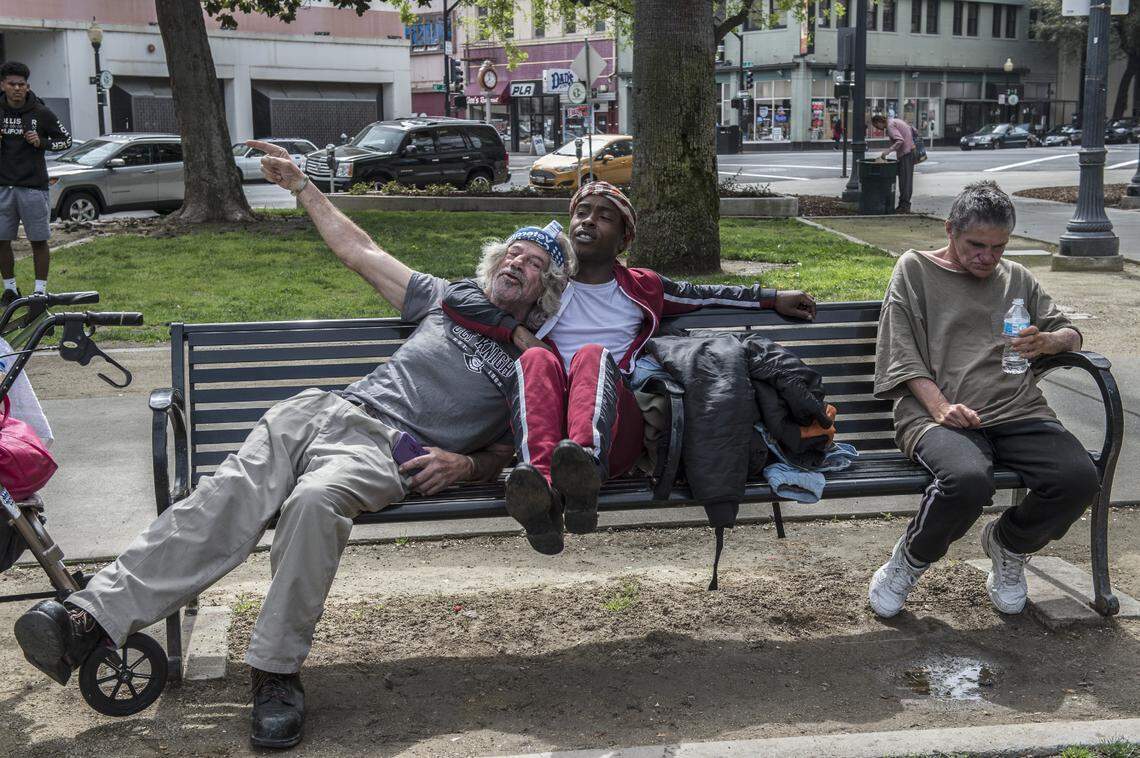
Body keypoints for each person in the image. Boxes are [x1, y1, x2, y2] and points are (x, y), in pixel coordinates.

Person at [13, 140, 572, 750]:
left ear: (547, 289)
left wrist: (467, 463)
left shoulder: (531, 362)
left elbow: (523, 448)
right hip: (321, 410)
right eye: (510, 253)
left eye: (534, 262)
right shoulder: (446, 300)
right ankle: (88, 618)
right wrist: (302, 186)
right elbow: (361, 251)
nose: (516, 263)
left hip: (385, 452)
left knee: (313, 504)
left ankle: (275, 674)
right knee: (223, 497)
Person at [442, 181, 817, 555]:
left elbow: (703, 295)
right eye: (581, 212)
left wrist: (770, 298)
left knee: (592, 355)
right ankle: (540, 494)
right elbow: (460, 295)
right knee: (537, 358)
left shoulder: (642, 287)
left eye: (604, 217)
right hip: (549, 424)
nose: (588, 221)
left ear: (624, 240)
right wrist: (521, 335)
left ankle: (584, 471)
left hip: (615, 429)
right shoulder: (548, 282)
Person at [868, 180, 1099, 619]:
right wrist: (940, 408)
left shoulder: (1016, 276)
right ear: (950, 229)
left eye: (998, 247)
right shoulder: (914, 269)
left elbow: (1070, 332)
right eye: (977, 245)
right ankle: (909, 561)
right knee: (968, 481)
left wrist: (1050, 341)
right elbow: (901, 353)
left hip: (1017, 409)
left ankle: (1008, 545)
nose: (988, 257)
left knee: (1078, 479)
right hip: (934, 414)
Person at [0, 61, 71, 307]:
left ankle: (40, 293)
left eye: (21, 84)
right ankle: (9, 290)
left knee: (38, 240)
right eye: (12, 84)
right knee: (1, 240)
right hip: (3, 187)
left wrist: (42, 142)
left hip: (33, 187)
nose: (17, 88)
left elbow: (66, 140)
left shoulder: (41, 112)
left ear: (27, 86)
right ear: (3, 85)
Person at [872, 112, 915, 214]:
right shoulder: (895, 121)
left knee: (904, 181)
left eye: (876, 126)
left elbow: (899, 140)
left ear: (879, 122)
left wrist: (888, 151)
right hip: (910, 151)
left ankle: (904, 206)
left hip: (905, 154)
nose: (878, 129)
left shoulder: (890, 126)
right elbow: (911, 129)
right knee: (907, 180)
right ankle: (904, 205)